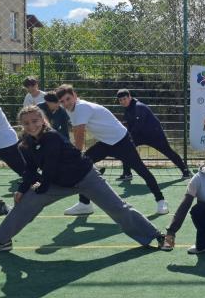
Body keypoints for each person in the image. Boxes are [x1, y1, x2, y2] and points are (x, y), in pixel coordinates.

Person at [0, 106, 165, 253]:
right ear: (21, 126)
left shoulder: (52, 137)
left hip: (85, 177)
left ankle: (154, 235)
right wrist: (22, 189)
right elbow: (30, 169)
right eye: (26, 123)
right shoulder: (24, 145)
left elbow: (50, 167)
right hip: (58, 183)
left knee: (118, 208)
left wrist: (40, 187)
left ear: (42, 120)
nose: (31, 126)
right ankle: (1, 241)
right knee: (27, 201)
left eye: (35, 121)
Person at [56, 85, 169, 216]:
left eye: (68, 99)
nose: (66, 103)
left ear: (75, 95)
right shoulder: (71, 109)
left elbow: (80, 132)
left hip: (121, 140)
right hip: (105, 142)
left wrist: (76, 154)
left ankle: (161, 200)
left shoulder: (81, 107)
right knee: (83, 165)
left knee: (141, 169)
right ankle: (84, 204)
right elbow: (76, 130)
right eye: (62, 101)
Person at [116, 88, 190, 181]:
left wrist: (128, 136)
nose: (123, 102)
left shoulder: (139, 107)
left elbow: (138, 125)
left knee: (168, 151)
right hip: (140, 135)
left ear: (129, 97)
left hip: (154, 135)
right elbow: (130, 126)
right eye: (120, 100)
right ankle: (127, 174)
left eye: (124, 99)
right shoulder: (128, 109)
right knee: (125, 148)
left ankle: (185, 171)